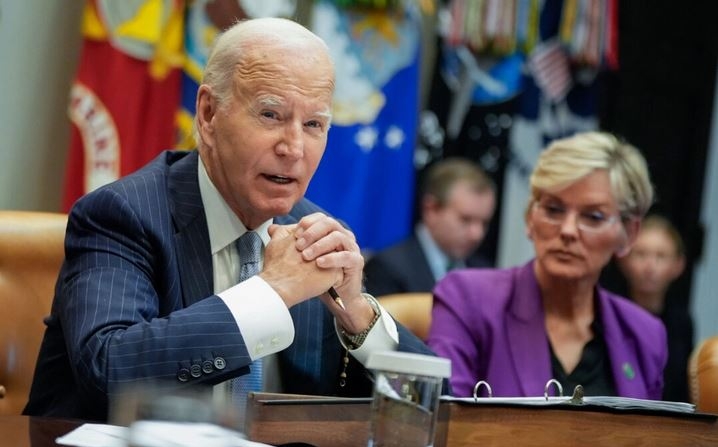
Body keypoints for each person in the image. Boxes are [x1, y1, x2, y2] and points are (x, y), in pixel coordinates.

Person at [23, 17, 435, 422]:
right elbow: (110, 373)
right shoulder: (124, 214)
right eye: (271, 115)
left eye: (313, 124)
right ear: (208, 114)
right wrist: (272, 291)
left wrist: (360, 319)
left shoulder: (317, 234)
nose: (293, 147)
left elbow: (431, 408)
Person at [427, 131, 667, 399]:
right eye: (553, 210)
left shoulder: (646, 334)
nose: (567, 230)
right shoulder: (467, 298)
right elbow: (445, 422)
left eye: (593, 216)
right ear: (531, 218)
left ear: (629, 234)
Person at [364, 157, 496, 296]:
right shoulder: (388, 268)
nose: (477, 234)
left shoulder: (485, 273)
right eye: (465, 220)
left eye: (485, 223)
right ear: (431, 209)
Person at [616, 214, 693, 402]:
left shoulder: (681, 323)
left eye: (661, 256)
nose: (649, 267)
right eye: (641, 254)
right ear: (624, 259)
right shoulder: (608, 313)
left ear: (678, 265)